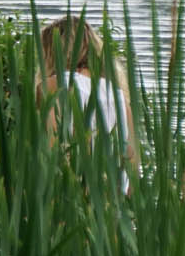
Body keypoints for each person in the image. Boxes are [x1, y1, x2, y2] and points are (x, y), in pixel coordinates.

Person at [38, 15, 140, 191]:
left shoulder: (54, 86)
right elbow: (133, 165)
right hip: (114, 199)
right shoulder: (119, 96)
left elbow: (52, 148)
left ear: (52, 52)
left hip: (72, 195)